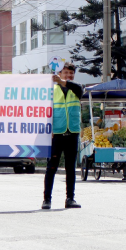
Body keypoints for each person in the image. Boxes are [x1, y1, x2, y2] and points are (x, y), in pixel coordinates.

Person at [43, 63, 83, 209]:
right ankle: (47, 199)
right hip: (56, 134)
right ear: (60, 73)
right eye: (66, 73)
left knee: (70, 168)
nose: (69, 75)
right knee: (51, 167)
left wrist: (62, 81)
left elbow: (78, 88)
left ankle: (70, 198)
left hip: (72, 133)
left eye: (71, 73)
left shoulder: (77, 88)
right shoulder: (51, 90)